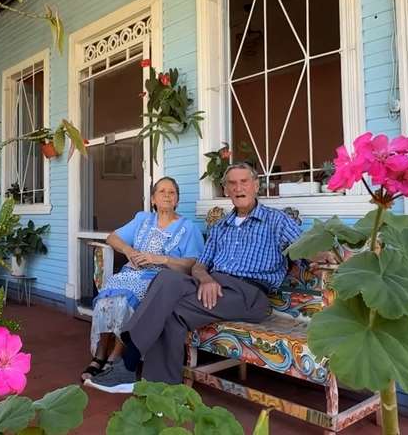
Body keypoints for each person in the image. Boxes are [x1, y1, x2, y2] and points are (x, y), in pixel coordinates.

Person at [87, 162, 302, 393]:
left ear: (256, 186)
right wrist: (206, 279)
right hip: (215, 284)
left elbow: (306, 247)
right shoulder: (221, 226)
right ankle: (160, 390)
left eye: (244, 182)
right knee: (167, 282)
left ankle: (128, 364)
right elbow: (199, 265)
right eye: (232, 183)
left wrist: (324, 252)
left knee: (167, 308)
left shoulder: (276, 220)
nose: (238, 188)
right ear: (226, 190)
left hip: (249, 293)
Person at [79, 177, 204, 381]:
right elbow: (112, 238)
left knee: (126, 301)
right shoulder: (142, 219)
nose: (167, 196)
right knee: (106, 297)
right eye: (162, 192)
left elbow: (193, 263)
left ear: (177, 200)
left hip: (159, 280)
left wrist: (160, 259)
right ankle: (100, 354)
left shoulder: (188, 227)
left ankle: (115, 357)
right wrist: (129, 251)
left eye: (172, 192)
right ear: (153, 199)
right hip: (131, 272)